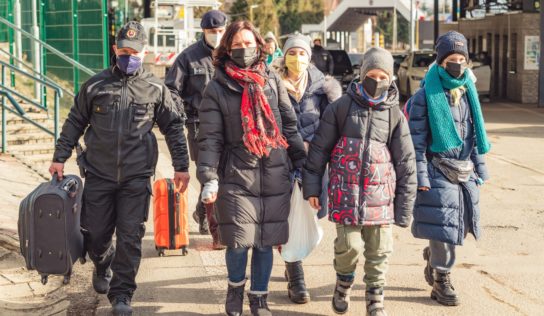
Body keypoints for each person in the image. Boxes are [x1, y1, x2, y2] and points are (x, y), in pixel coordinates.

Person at [49, 21, 190, 315]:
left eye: (134, 52)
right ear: (114, 49)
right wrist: (60, 156)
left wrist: (181, 166)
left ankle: (122, 294)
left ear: (144, 51)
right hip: (99, 175)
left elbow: (174, 128)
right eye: (124, 50)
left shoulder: (154, 88)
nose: (129, 56)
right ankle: (102, 262)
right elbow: (75, 121)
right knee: (95, 235)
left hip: (136, 178)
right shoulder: (95, 85)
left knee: (131, 237)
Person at [197, 21, 306, 316]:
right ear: (227, 49)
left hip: (274, 174)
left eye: (248, 44)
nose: (243, 50)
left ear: (259, 46)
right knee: (239, 242)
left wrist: (304, 167)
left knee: (265, 244)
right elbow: (209, 138)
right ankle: (235, 290)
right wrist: (208, 176)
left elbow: (290, 127)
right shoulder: (216, 87)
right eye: (237, 45)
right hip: (236, 176)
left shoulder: (270, 80)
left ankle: (259, 299)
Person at [303, 47, 417, 316]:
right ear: (362, 73)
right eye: (372, 74)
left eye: (383, 76)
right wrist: (312, 187)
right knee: (349, 247)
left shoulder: (395, 115)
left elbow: (406, 163)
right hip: (345, 196)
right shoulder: (340, 108)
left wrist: (404, 208)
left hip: (381, 200)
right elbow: (319, 151)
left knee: (380, 251)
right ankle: (344, 282)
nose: (377, 81)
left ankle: (375, 297)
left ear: (390, 79)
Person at [408, 31, 490, 307]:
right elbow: (416, 143)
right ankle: (442, 280)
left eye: (461, 59)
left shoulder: (468, 93)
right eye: (451, 59)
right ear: (441, 62)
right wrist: (421, 176)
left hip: (464, 171)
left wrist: (480, 169)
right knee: (445, 230)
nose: (457, 64)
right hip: (436, 170)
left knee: (456, 227)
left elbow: (474, 138)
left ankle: (434, 260)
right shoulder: (425, 96)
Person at [269, 33, 342, 304]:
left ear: (309, 57)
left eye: (302, 53)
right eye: (292, 53)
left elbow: (333, 124)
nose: (297, 58)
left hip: (313, 165)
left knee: (309, 217)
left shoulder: (323, 88)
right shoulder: (272, 84)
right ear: (283, 56)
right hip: (281, 162)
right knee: (288, 216)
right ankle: (295, 273)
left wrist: (317, 146)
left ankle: (292, 257)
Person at [165, 10, 227, 246]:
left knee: (223, 173)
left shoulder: (232, 53)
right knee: (208, 171)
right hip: (199, 125)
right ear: (204, 31)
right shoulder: (189, 57)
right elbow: (171, 89)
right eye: (212, 32)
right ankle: (212, 225)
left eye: (221, 31)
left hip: (228, 123)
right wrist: (183, 114)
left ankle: (204, 212)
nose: (217, 35)